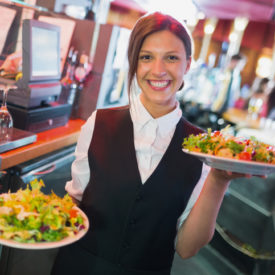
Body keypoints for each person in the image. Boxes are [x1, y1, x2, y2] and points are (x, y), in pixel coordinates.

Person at [51, 12, 252, 275]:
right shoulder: (98, 123)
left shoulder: (204, 149)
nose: (158, 70)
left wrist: (219, 179)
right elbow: (74, 202)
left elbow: (187, 248)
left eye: (171, 57)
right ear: (134, 62)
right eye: (146, 57)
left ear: (188, 64)